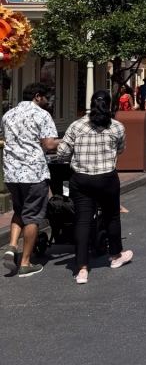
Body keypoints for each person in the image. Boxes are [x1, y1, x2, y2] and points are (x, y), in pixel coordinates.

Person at [57, 90, 130, 284]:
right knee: (112, 216)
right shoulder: (117, 127)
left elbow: (62, 152)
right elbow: (121, 149)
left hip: (81, 179)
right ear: (109, 105)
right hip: (107, 178)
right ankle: (115, 256)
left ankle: (81, 268)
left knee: (83, 221)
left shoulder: (77, 125)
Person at [1, 81, 60, 278]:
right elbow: (49, 144)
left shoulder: (8, 115)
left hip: (11, 172)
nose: (48, 100)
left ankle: (11, 247)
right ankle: (25, 263)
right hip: (33, 172)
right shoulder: (42, 115)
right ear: (37, 96)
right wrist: (68, 140)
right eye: (46, 96)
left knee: (19, 210)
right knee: (33, 216)